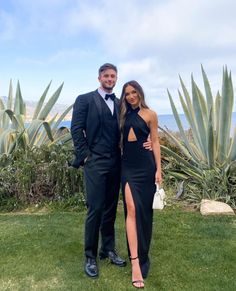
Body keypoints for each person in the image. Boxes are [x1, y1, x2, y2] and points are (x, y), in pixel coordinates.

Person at [70, 64, 151, 278]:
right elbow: (76, 129)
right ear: (99, 78)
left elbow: (135, 126)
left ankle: (108, 249)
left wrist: (150, 141)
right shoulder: (84, 99)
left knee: (110, 209)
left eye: (113, 76)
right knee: (95, 209)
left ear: (116, 78)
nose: (109, 78)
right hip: (95, 163)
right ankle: (90, 256)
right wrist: (86, 156)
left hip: (117, 163)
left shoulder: (119, 103)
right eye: (106, 75)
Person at [120, 80, 162, 289]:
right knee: (131, 209)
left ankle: (144, 256)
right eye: (127, 93)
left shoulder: (150, 114)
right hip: (127, 167)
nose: (131, 96)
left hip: (146, 167)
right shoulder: (122, 114)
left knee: (144, 214)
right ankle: (135, 263)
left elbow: (154, 141)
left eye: (133, 92)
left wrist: (158, 170)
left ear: (140, 93)